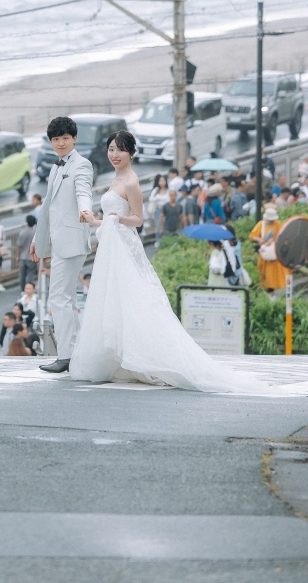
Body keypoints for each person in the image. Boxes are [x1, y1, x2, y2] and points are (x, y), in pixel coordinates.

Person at [70, 131, 266, 392]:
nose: (114, 155)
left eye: (120, 150)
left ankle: (140, 356)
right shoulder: (117, 177)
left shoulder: (131, 182)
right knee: (113, 298)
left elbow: (138, 220)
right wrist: (95, 220)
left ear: (131, 153)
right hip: (112, 246)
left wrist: (116, 219)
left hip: (125, 247)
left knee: (133, 300)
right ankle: (117, 357)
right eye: (111, 149)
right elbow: (113, 216)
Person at [31, 115, 94, 374]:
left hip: (71, 241)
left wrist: (85, 210)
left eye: (65, 138)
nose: (60, 143)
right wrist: (39, 239)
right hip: (58, 241)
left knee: (58, 298)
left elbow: (83, 191)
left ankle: (67, 355)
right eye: (56, 139)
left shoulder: (82, 164)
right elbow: (47, 208)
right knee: (65, 299)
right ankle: (75, 352)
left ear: (74, 138)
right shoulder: (56, 168)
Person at [249, 205, 286, 293]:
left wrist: (273, 240)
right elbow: (252, 236)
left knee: (273, 274)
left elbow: (282, 236)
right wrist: (260, 240)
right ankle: (266, 290)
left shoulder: (278, 224)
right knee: (263, 273)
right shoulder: (261, 224)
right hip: (264, 253)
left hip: (274, 252)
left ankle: (271, 290)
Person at [148, 174, 171, 248]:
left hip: (167, 211)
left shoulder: (168, 190)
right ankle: (158, 241)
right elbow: (151, 199)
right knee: (158, 226)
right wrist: (158, 203)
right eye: (160, 181)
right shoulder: (156, 190)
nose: (162, 182)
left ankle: (166, 241)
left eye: (163, 180)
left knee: (166, 225)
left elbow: (169, 200)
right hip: (158, 210)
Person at [17, 215, 38, 291]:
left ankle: (23, 289)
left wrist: (18, 256)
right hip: (31, 257)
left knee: (22, 274)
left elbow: (19, 246)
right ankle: (29, 289)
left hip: (23, 256)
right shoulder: (35, 233)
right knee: (30, 273)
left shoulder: (22, 232)